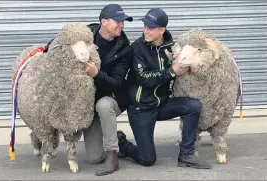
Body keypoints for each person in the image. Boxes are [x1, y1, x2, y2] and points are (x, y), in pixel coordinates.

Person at [117, 8, 212, 169]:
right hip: (141, 108)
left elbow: (192, 61)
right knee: (147, 159)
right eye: (145, 26)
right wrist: (171, 71)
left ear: (162, 30)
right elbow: (143, 78)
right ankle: (122, 143)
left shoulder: (172, 47)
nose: (146, 31)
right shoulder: (137, 48)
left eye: (151, 28)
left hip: (162, 104)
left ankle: (186, 154)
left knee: (193, 106)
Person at [82, 4, 133, 176]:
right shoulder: (86, 34)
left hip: (113, 97)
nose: (122, 25)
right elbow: (62, 41)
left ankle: (113, 155)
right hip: (91, 102)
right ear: (104, 22)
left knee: (103, 105)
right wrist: (46, 50)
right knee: (93, 159)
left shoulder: (125, 48)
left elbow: (117, 82)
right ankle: (118, 138)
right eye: (118, 21)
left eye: (123, 21)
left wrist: (96, 75)